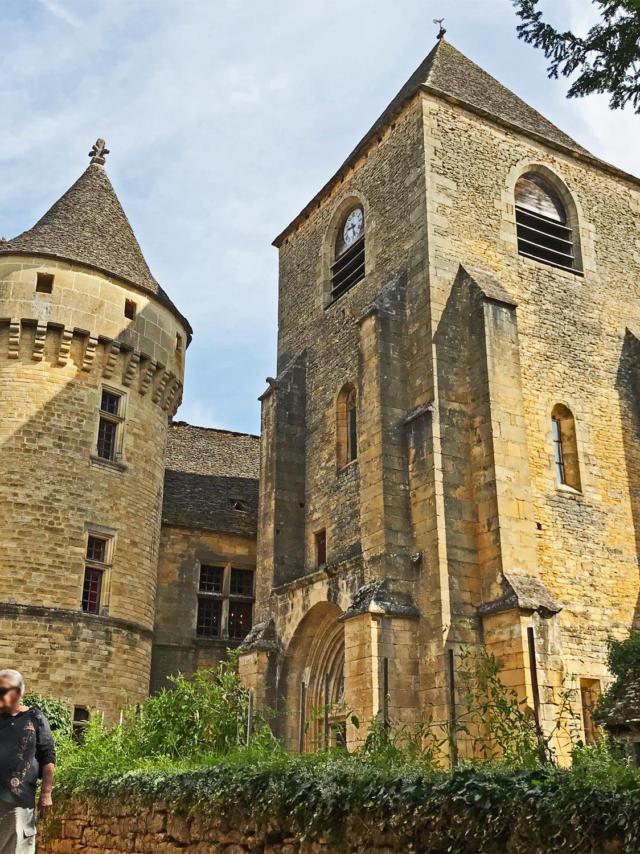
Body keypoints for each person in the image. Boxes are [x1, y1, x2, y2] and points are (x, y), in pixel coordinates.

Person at [0, 670, 55, 853]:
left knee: (17, 849)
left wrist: (46, 793)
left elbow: (48, 756)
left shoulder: (35, 718)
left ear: (17, 692)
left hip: (18, 801)